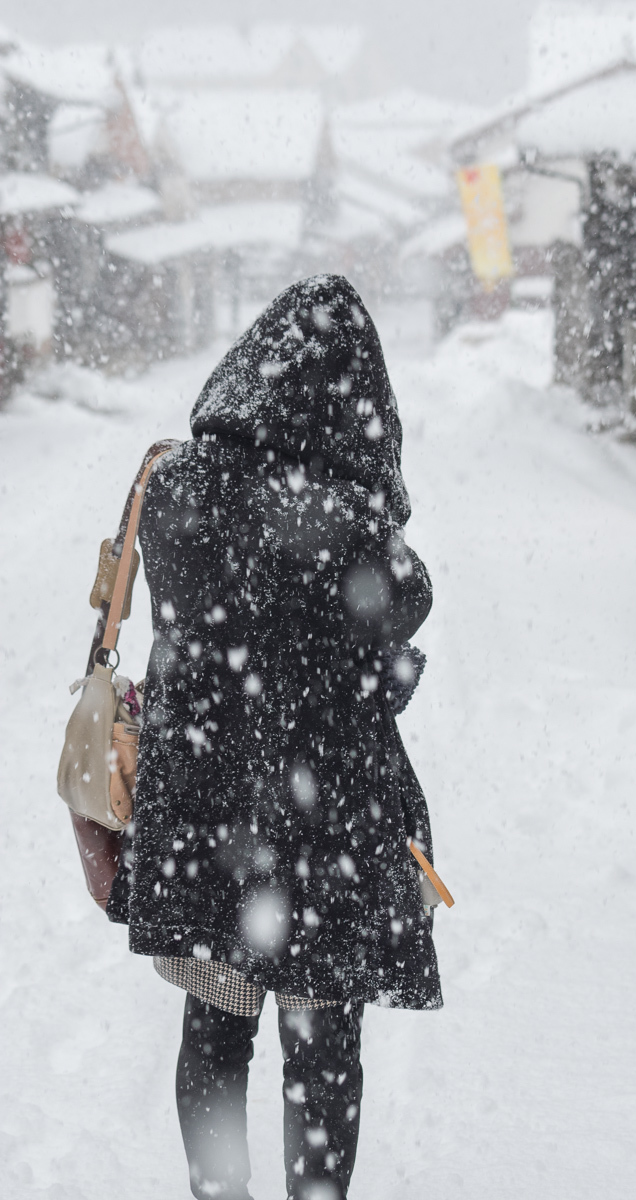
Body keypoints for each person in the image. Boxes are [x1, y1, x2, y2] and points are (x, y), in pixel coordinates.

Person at [106, 274, 442, 1200]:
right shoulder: (349, 526)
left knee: (214, 1031)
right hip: (321, 832)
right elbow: (401, 616)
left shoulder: (178, 486)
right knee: (321, 1046)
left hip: (207, 824)